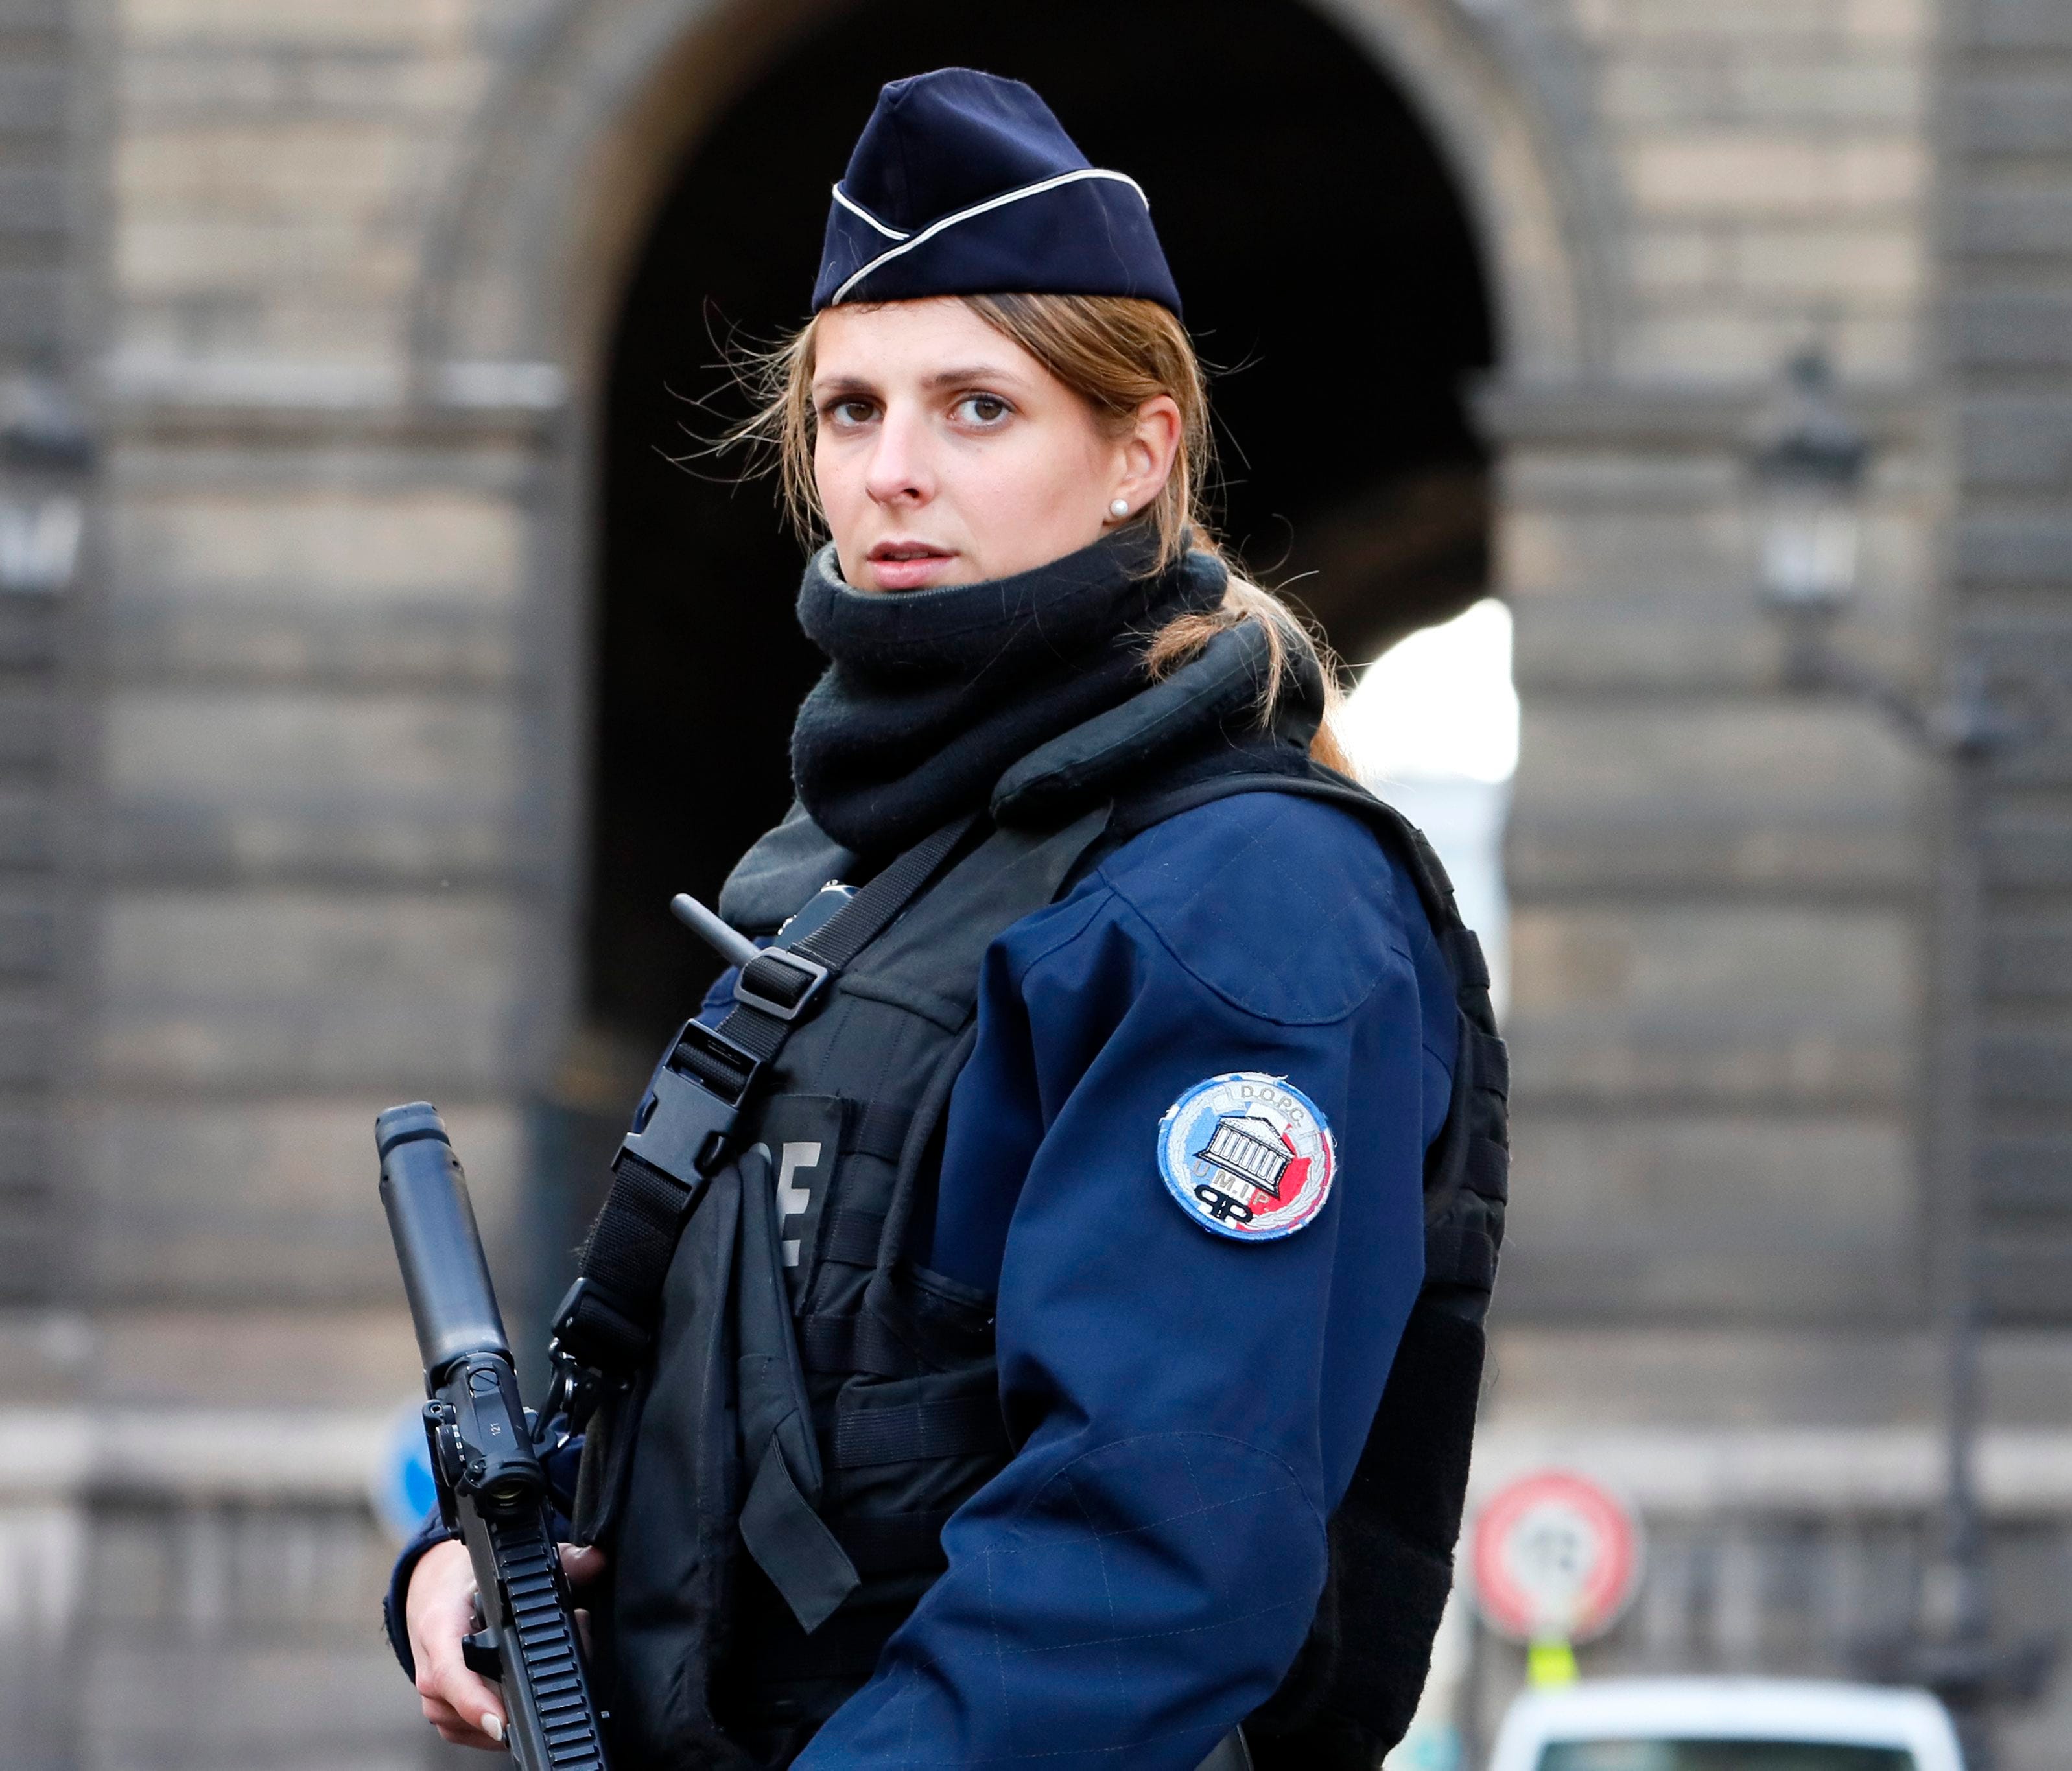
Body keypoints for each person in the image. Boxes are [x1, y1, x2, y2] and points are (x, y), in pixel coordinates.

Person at [386, 67, 1507, 1771]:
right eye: (851, 411)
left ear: (1136, 454)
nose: (892, 472)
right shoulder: (829, 869)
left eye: (976, 407)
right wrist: (501, 1565)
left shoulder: (1244, 903)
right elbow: (767, 1411)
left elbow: (1144, 1565)